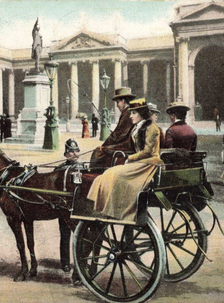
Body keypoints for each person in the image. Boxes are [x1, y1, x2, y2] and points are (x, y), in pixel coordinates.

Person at [87, 98, 163, 222]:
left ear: (141, 114)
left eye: (134, 113)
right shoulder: (136, 128)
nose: (131, 116)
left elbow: (148, 152)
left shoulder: (152, 128)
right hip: (140, 163)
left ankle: (119, 210)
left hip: (149, 164)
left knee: (114, 174)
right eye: (130, 113)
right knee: (108, 174)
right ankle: (103, 206)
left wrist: (129, 158)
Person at [54, 139, 83, 272]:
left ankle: (80, 262)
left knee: (80, 236)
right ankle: (65, 262)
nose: (74, 154)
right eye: (71, 152)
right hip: (64, 207)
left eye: (76, 151)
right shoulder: (59, 170)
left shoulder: (83, 168)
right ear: (66, 154)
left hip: (78, 208)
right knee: (65, 235)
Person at [89, 87, 136, 167]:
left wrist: (104, 146)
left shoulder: (127, 114)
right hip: (128, 143)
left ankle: (97, 174)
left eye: (117, 102)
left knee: (98, 152)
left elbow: (117, 135)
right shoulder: (129, 112)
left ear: (123, 101)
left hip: (127, 145)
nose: (117, 106)